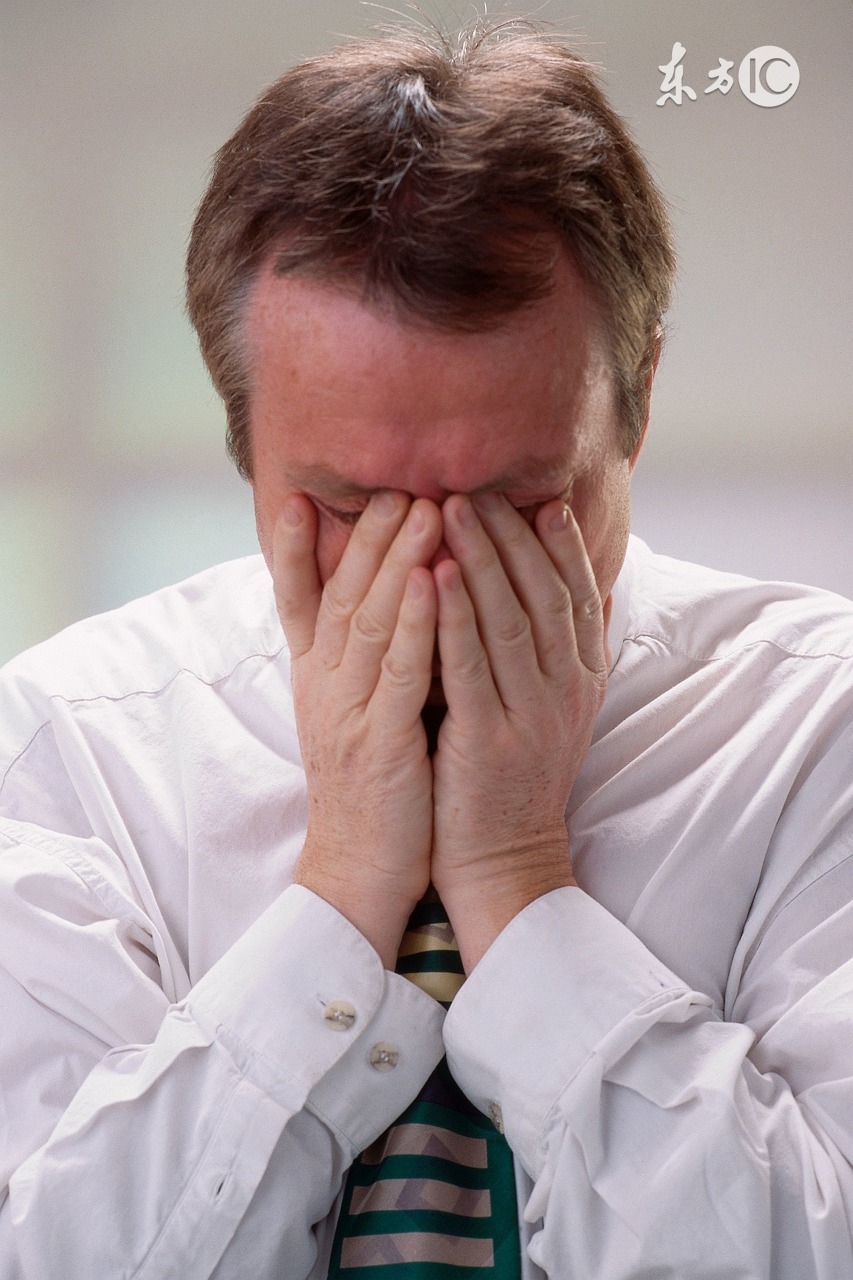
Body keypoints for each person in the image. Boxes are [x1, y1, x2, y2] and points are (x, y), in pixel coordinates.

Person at [1, 21, 852, 1279]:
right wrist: (342, 887)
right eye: (351, 509)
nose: (439, 579)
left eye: (516, 504)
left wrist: (515, 881)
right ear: (243, 433)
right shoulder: (71, 742)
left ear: (640, 395)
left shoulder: (817, 727)